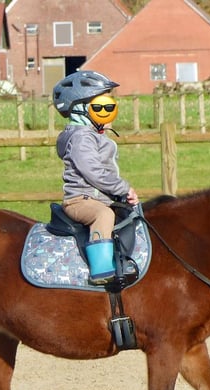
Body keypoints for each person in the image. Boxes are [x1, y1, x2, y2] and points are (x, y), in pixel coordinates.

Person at [52, 70, 139, 285]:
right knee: (104, 216)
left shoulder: (92, 136)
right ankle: (101, 271)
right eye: (102, 105)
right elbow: (92, 171)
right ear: (82, 109)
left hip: (96, 197)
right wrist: (122, 188)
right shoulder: (81, 138)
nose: (110, 110)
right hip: (80, 201)